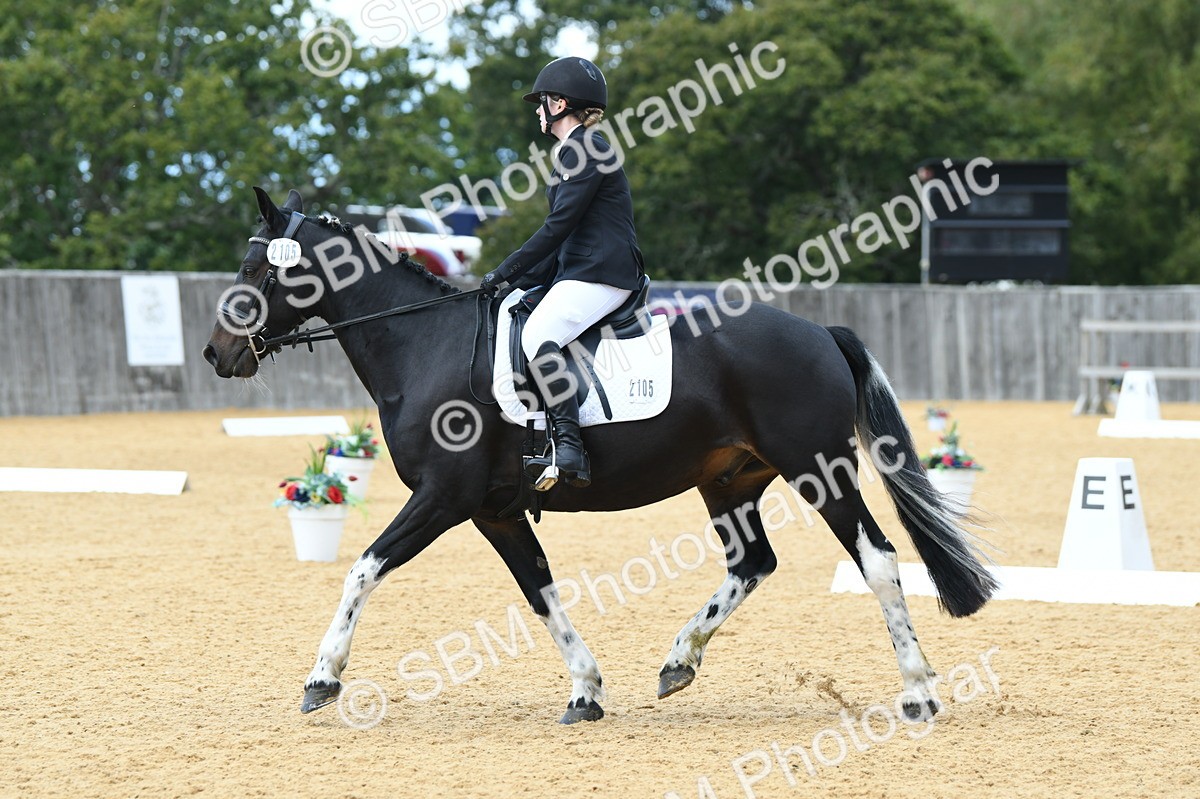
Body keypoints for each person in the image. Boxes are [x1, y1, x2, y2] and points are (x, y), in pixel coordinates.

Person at [480, 56, 646, 489]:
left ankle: (569, 448)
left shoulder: (585, 147)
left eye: (543, 102)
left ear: (560, 103)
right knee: (520, 310)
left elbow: (559, 227)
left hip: (603, 273)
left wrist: (504, 269)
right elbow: (563, 240)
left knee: (537, 335)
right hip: (582, 270)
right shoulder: (570, 151)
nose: (538, 110)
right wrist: (513, 283)